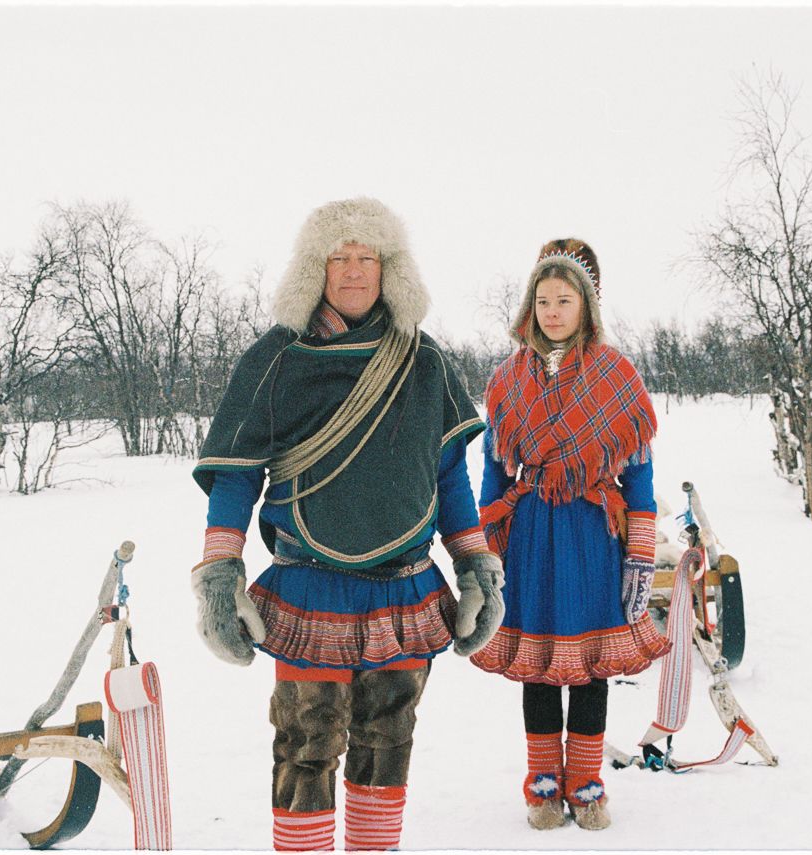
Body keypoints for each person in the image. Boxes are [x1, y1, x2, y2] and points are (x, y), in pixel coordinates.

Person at [190, 197, 504, 851]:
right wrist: (220, 573)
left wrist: (474, 566)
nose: (354, 270)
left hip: (404, 585)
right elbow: (236, 473)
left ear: (390, 269)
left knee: (387, 744)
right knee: (305, 745)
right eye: (340, 257)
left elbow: (446, 475)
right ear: (316, 269)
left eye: (368, 257)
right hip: (310, 583)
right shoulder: (276, 360)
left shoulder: (425, 363)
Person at [470, 238, 669, 831]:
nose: (552, 311)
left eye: (564, 299)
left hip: (591, 534)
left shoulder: (617, 376)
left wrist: (639, 556)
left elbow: (639, 474)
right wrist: (486, 550)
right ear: (529, 308)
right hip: (530, 531)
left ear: (586, 307)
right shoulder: (506, 381)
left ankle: (586, 783)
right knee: (536, 664)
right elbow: (492, 469)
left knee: (589, 664)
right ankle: (542, 785)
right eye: (542, 300)